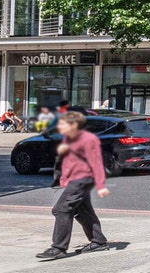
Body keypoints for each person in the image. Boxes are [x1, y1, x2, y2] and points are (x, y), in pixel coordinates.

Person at [37, 111, 110, 260]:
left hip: (83, 179)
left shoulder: (88, 139)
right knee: (82, 210)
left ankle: (58, 248)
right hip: (75, 179)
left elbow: (96, 162)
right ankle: (99, 241)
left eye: (63, 123)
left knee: (61, 209)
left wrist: (101, 185)